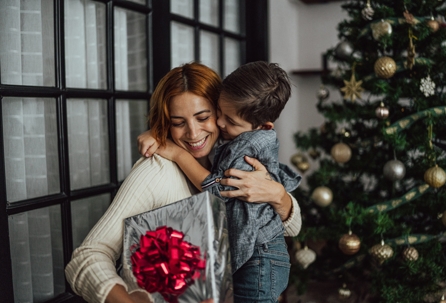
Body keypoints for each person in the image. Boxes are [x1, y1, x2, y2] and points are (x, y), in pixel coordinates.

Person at [65, 62, 302, 303]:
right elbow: (88, 256)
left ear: (220, 111)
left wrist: (277, 194)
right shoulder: (156, 171)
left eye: (204, 117)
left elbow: (293, 226)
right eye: (178, 123)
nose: (193, 133)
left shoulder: (227, 158)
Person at [144, 61, 301, 303]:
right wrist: (157, 134)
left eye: (229, 120)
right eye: (218, 112)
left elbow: (218, 189)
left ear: (263, 127)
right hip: (256, 257)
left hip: (260, 257)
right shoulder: (235, 138)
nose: (219, 123)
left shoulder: (247, 150)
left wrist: (177, 153)